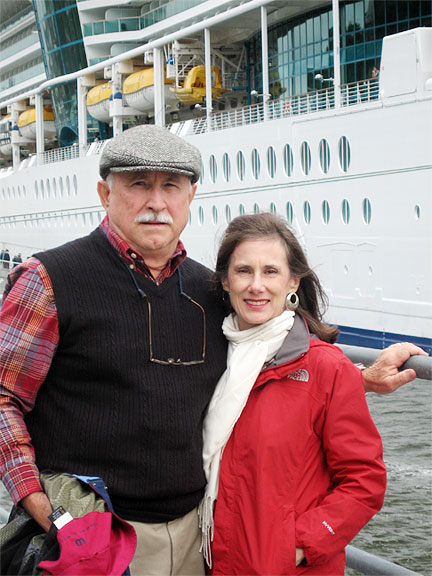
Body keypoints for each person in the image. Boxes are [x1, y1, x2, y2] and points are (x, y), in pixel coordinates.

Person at [0, 125, 427, 575]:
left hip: (194, 537)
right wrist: (42, 506)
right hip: (96, 535)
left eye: (171, 186)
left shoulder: (206, 291)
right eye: (138, 185)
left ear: (191, 196)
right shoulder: (49, 279)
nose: (156, 202)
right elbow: (4, 397)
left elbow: (257, 367)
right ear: (105, 193)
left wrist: (357, 379)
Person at [199, 213, 387, 575]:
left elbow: (365, 479)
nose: (256, 285)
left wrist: (303, 543)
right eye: (243, 271)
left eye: (270, 271)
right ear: (225, 280)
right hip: (212, 561)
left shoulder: (325, 368)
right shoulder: (210, 358)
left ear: (293, 280)